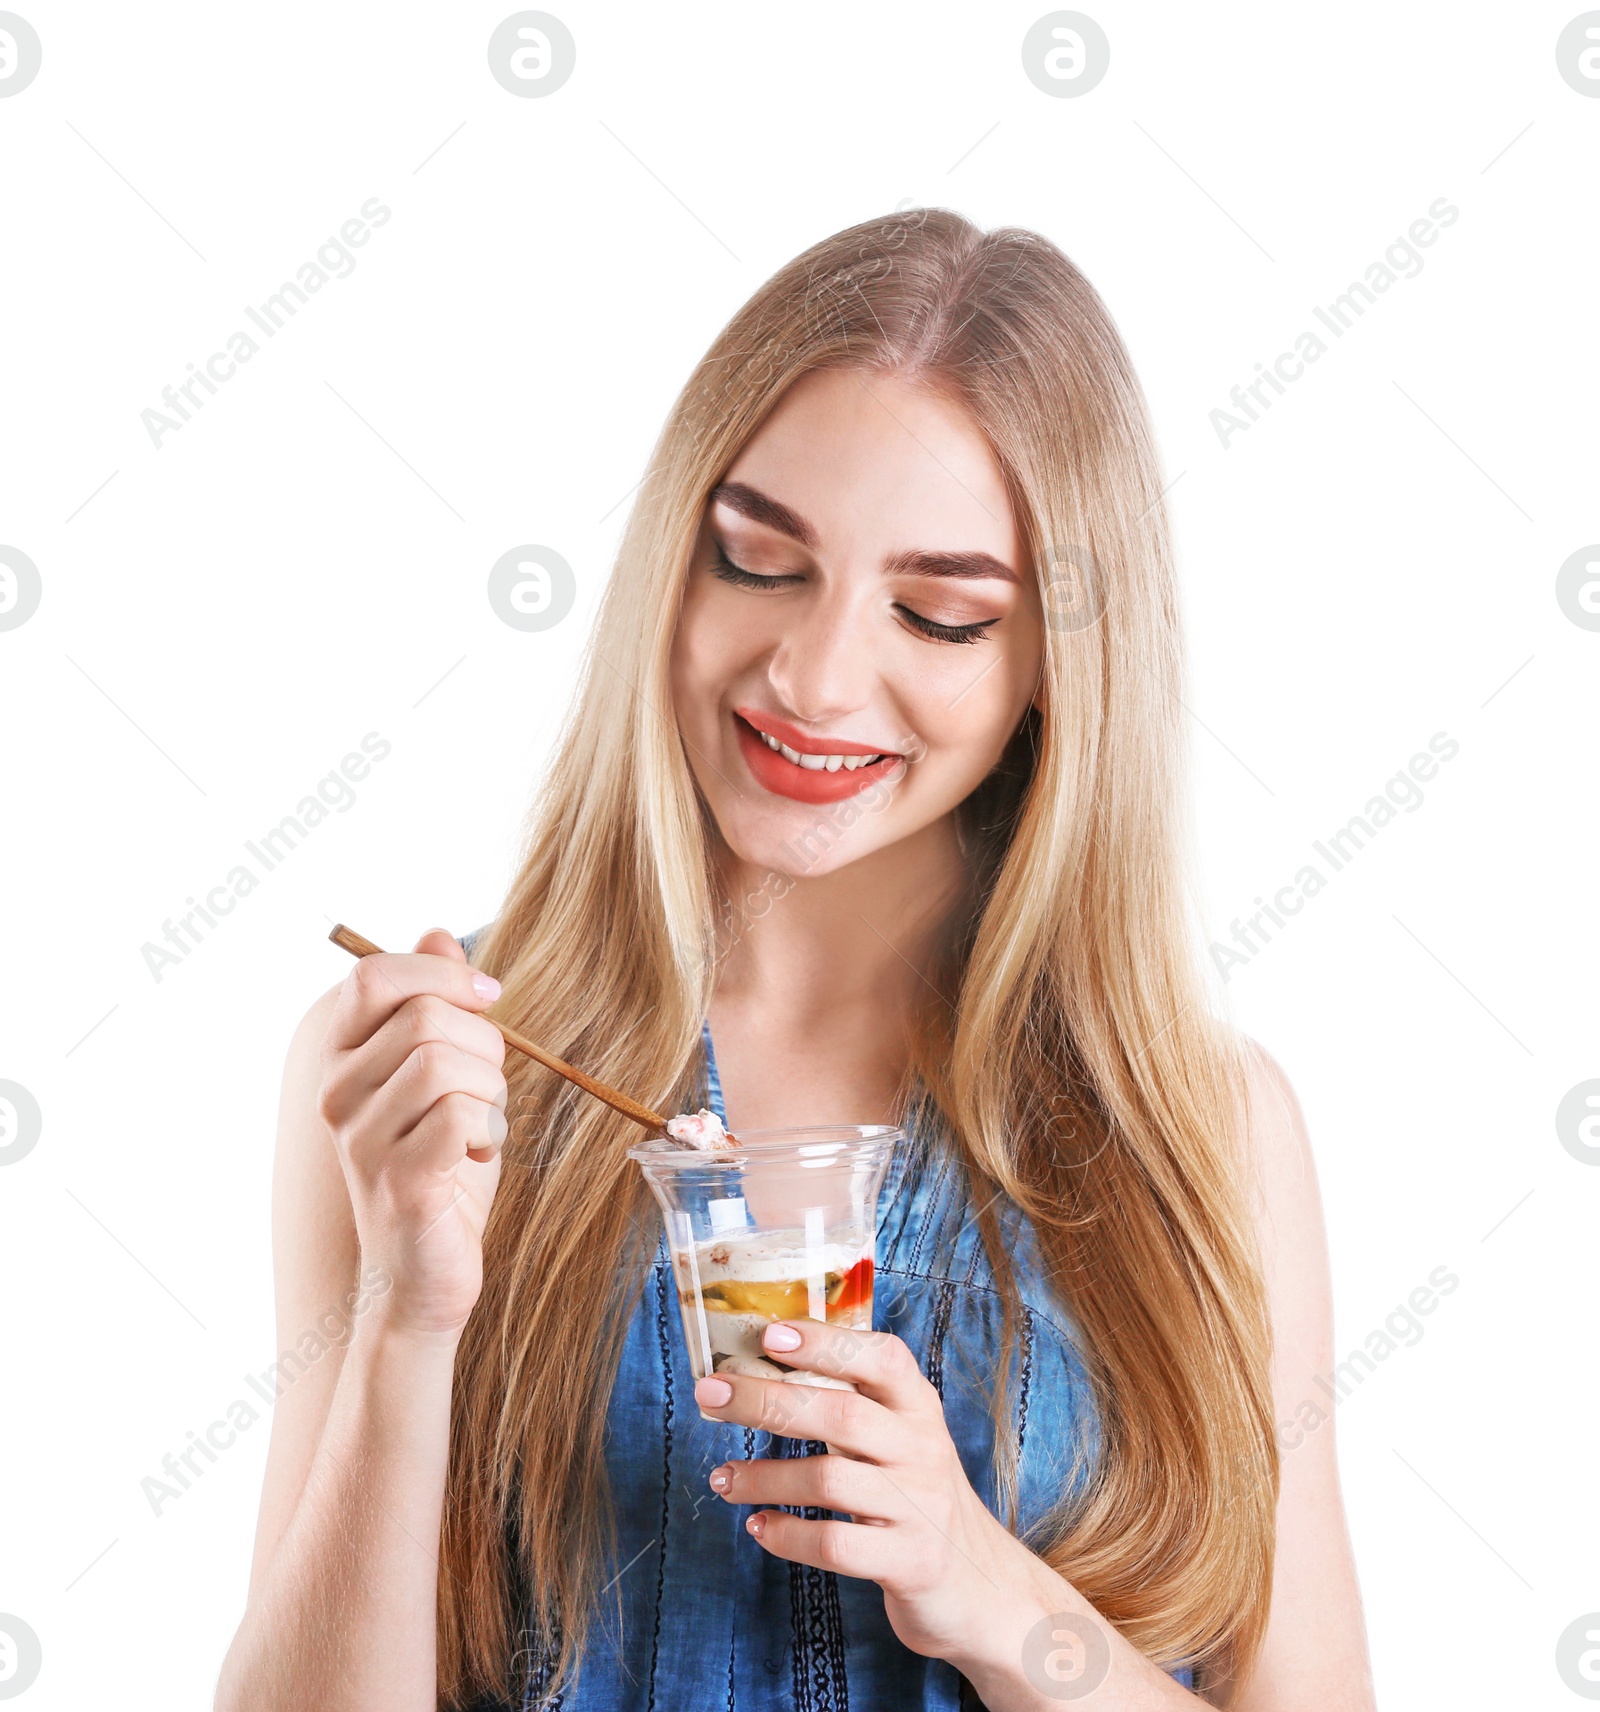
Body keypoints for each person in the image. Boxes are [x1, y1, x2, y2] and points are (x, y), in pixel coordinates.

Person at [215, 208, 1376, 1711]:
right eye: (759, 563)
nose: (817, 677)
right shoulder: (428, 1075)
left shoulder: (1203, 1126)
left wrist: (982, 1584)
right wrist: (406, 1318)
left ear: (1056, 666)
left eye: (940, 613)